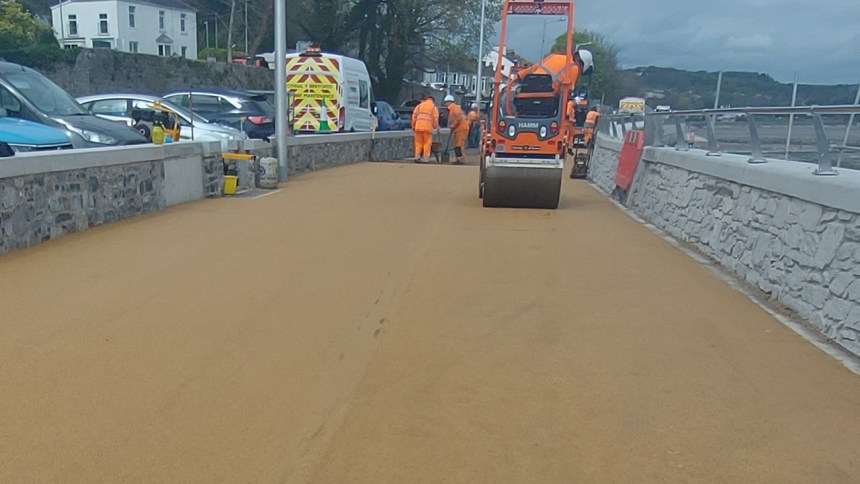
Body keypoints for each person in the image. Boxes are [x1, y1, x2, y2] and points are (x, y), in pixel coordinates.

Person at [411, 96, 440, 163]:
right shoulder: (433, 107)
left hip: (418, 127)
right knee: (427, 143)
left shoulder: (419, 106)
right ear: (433, 101)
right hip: (427, 128)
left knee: (418, 143)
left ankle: (417, 156)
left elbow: (414, 116)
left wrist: (413, 126)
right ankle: (426, 158)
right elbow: (435, 119)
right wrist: (436, 127)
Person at [444, 95, 470, 164]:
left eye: (445, 102)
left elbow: (458, 117)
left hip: (461, 128)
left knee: (459, 144)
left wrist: (453, 125)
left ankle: (460, 159)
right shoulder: (452, 108)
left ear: (449, 102)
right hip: (459, 128)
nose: (445, 104)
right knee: (457, 144)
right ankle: (459, 159)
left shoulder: (454, 108)